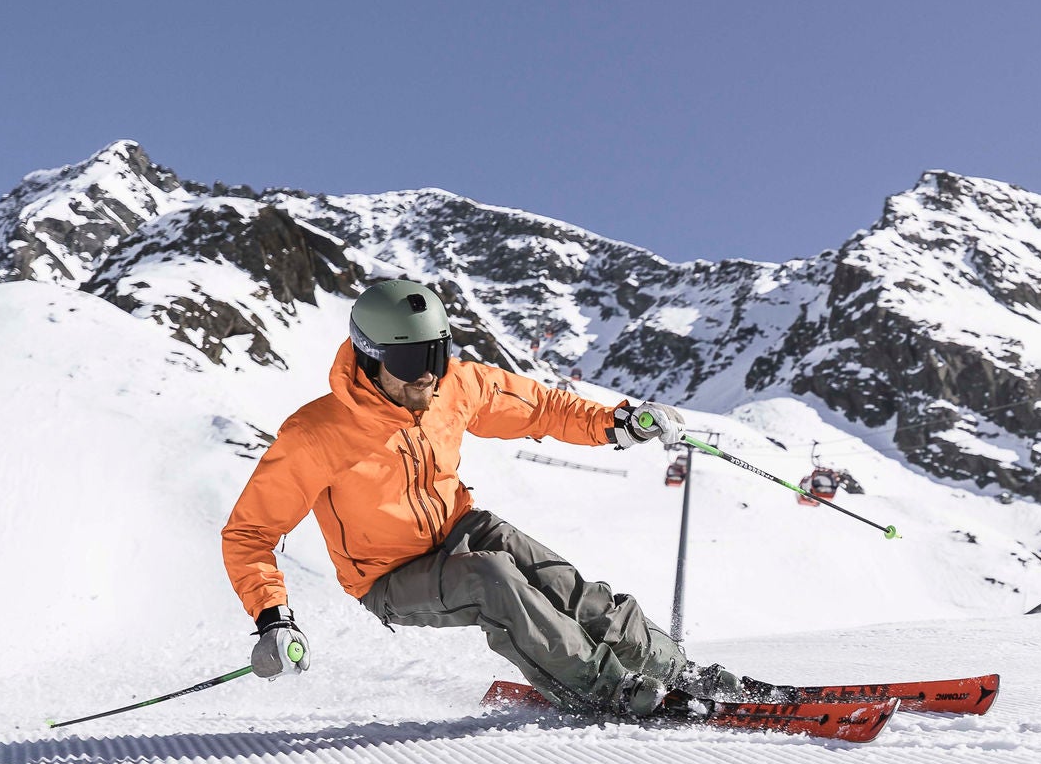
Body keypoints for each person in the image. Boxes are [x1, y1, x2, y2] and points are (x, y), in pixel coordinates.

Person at [221, 279, 748, 718]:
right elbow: (250, 534)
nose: (426, 372)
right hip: (387, 578)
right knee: (493, 579)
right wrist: (273, 618)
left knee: (557, 581)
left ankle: (672, 669)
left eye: (435, 352)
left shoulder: (453, 386)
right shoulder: (316, 434)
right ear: (371, 358)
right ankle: (608, 689)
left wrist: (615, 422)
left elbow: (540, 406)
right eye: (407, 361)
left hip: (459, 528)